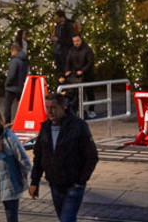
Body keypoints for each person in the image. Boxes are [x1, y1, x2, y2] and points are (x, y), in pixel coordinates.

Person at [28, 93, 99, 222]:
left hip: (73, 184)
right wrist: (34, 181)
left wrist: (81, 180)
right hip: (55, 183)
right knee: (64, 218)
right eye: (47, 107)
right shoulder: (45, 127)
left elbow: (91, 156)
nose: (50, 111)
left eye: (53, 107)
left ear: (63, 107)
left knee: (67, 219)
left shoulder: (78, 126)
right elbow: (38, 156)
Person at [63, 35, 95, 119]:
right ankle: (76, 109)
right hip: (76, 75)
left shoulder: (87, 49)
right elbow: (68, 61)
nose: (76, 43)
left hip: (87, 74)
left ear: (81, 40)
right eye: (74, 41)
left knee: (89, 92)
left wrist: (83, 70)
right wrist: (67, 70)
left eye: (77, 41)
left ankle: (91, 109)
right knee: (76, 93)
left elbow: (90, 62)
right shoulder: (71, 50)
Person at [4, 42, 28, 124]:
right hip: (21, 86)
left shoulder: (15, 60)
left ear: (13, 50)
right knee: (21, 106)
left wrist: (7, 83)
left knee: (7, 106)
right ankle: (22, 120)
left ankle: (7, 122)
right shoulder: (24, 60)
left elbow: (12, 74)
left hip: (12, 87)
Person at [51, 10, 73, 77]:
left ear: (62, 17)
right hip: (57, 51)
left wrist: (59, 39)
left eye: (57, 18)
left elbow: (70, 40)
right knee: (59, 70)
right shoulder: (58, 26)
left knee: (65, 70)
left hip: (64, 52)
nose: (56, 19)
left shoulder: (68, 25)